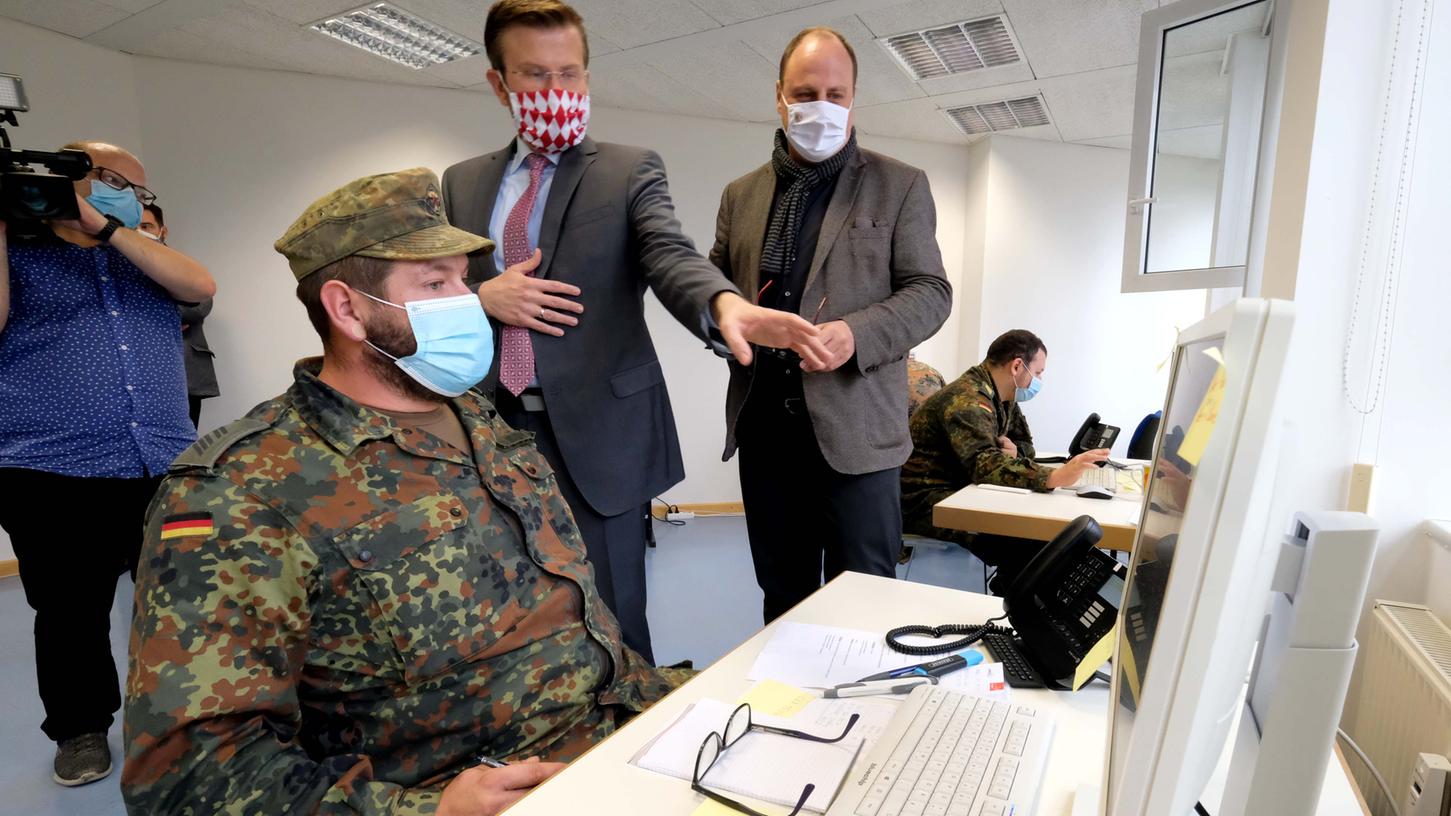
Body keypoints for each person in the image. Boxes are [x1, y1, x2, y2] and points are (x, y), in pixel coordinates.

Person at [122, 168, 691, 815]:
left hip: (626, 745)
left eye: (462, 279)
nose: (468, 299)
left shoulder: (483, 424)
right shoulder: (242, 490)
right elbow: (185, 777)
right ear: (347, 309)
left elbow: (578, 627)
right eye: (434, 284)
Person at [442, 0, 828, 661]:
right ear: (498, 83)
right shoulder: (462, 183)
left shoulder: (627, 171)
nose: (555, 92)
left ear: (588, 77)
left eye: (570, 74)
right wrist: (482, 295)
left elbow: (667, 253)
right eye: (534, 75)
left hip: (599, 439)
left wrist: (724, 305)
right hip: (489, 431)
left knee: (615, 623)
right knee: (504, 620)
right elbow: (431, 292)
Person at [709, 27, 953, 623]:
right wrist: (730, 326)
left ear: (853, 99)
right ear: (779, 97)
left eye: (835, 94)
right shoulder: (741, 195)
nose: (820, 105)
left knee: (867, 605)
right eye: (805, 91)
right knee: (783, 598)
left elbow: (932, 293)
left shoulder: (900, 185)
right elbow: (711, 295)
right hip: (765, 432)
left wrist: (858, 334)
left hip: (859, 436)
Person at [0, 140, 214, 787]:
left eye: (137, 188)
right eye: (109, 179)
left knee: (183, 603)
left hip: (162, 458)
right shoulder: (18, 252)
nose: (128, 193)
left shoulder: (141, 252)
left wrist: (106, 225)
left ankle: (189, 717)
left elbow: (200, 285)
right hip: (50, 465)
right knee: (69, 610)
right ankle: (80, 729)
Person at [900, 329, 1110, 591]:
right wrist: (1054, 477)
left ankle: (1019, 592)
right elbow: (983, 465)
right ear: (1017, 366)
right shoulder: (967, 399)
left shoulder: (1003, 396)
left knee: (1039, 536)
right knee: (1026, 542)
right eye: (1039, 371)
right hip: (925, 499)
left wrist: (1015, 454)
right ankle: (1018, 604)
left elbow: (1025, 448)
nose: (1040, 379)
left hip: (961, 489)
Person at [141, 203, 220, 429]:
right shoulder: (119, 264)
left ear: (162, 230)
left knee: (186, 446)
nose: (141, 231)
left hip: (188, 373)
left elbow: (200, 305)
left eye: (147, 225)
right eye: (135, 226)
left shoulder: (180, 264)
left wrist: (156, 318)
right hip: (141, 377)